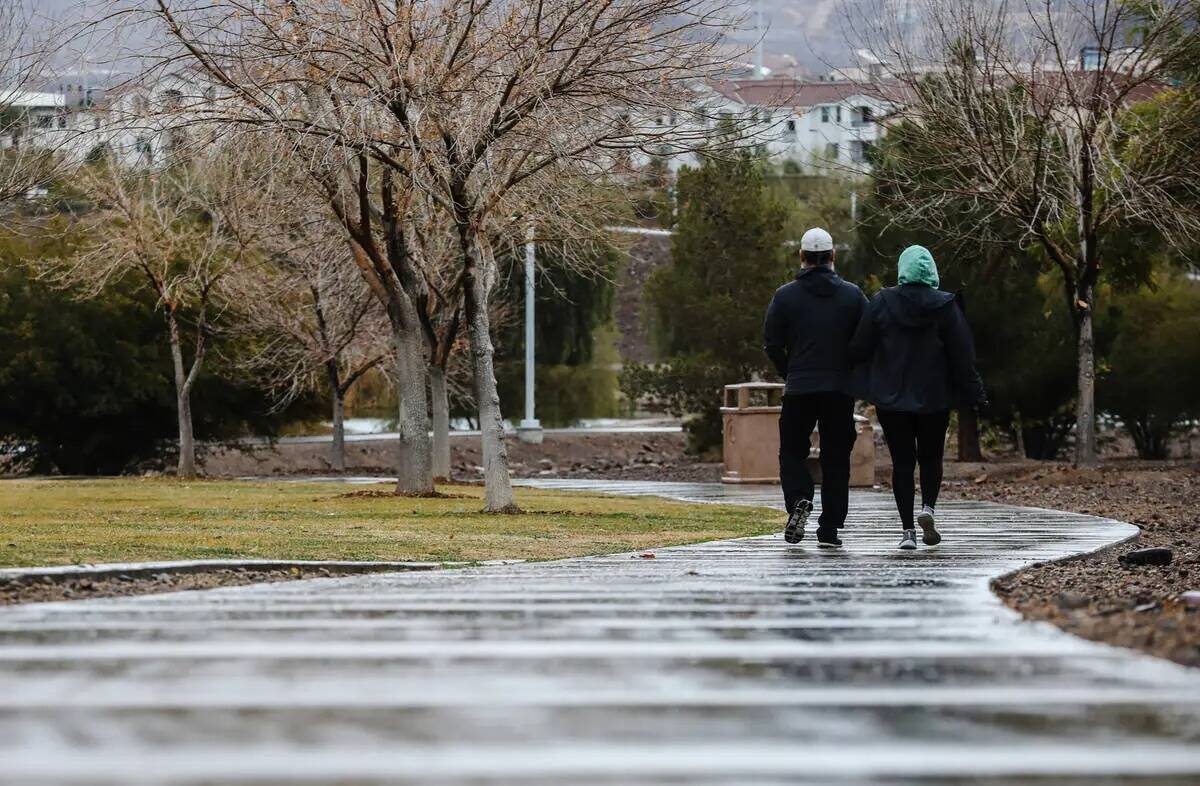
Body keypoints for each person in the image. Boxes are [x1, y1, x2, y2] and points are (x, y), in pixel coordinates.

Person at [851, 245, 987, 550]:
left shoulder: (882, 302)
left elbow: (860, 346)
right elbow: (963, 356)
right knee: (930, 457)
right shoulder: (947, 306)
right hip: (934, 397)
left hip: (891, 397)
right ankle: (928, 508)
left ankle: (907, 530)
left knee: (902, 462)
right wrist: (975, 393)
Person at [763, 227, 868, 548]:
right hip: (839, 390)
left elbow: (771, 342)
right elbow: (866, 340)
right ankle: (830, 528)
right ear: (833, 256)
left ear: (802, 257)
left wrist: (789, 371)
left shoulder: (785, 296)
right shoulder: (853, 296)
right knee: (836, 458)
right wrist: (851, 372)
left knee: (792, 452)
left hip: (800, 388)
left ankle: (799, 500)